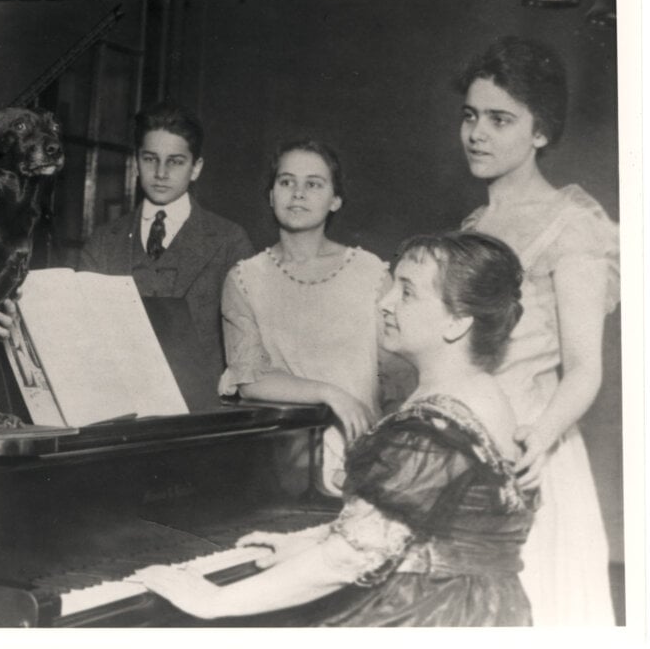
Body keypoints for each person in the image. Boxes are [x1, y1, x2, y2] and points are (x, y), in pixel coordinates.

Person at [136, 231, 537, 626]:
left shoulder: (432, 428)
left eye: (407, 292)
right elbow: (415, 526)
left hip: (434, 613)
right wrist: (308, 542)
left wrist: (215, 600)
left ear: (457, 322)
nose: (385, 302)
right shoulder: (482, 395)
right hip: (486, 606)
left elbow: (352, 556)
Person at [455, 36, 620, 626]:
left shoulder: (572, 224)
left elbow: (583, 369)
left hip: (533, 455)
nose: (478, 133)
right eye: (471, 116)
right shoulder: (472, 226)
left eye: (501, 120)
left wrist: (533, 442)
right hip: (468, 452)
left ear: (541, 132)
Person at [218, 139, 413, 495]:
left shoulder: (370, 273)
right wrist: (329, 394)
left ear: (335, 199)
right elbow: (250, 378)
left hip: (364, 457)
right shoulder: (244, 279)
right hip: (280, 463)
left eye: (314, 184)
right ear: (271, 194)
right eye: (286, 181)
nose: (298, 194)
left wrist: (391, 459)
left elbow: (398, 380)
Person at [78, 103, 254, 380]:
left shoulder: (229, 241)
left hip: (201, 407)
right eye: (150, 159)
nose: (161, 172)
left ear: (196, 168)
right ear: (136, 162)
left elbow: (247, 343)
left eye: (175, 161)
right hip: (122, 404)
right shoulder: (102, 243)